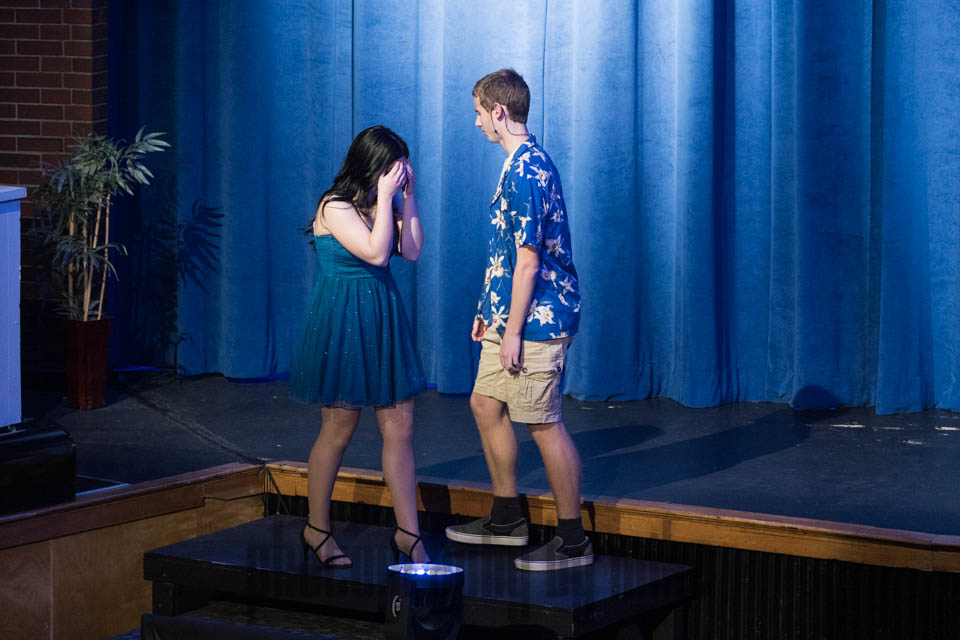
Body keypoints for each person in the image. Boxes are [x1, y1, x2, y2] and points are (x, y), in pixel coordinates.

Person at [445, 69, 592, 570]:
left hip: (537, 321)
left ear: (499, 112)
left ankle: (573, 540)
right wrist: (486, 310)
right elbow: (504, 254)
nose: (477, 123)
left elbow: (528, 261)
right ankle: (507, 517)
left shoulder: (529, 170)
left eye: (479, 113)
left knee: (542, 422)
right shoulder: (515, 166)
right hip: (507, 315)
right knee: (485, 403)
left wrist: (512, 332)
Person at [290, 125, 428, 567]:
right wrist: (386, 199)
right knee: (339, 427)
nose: (396, 175)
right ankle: (317, 528)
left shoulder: (383, 203)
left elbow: (411, 251)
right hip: (344, 318)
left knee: (400, 426)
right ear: (371, 165)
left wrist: (408, 197)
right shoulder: (334, 206)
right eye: (391, 168)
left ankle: (409, 534)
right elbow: (375, 253)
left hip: (382, 315)